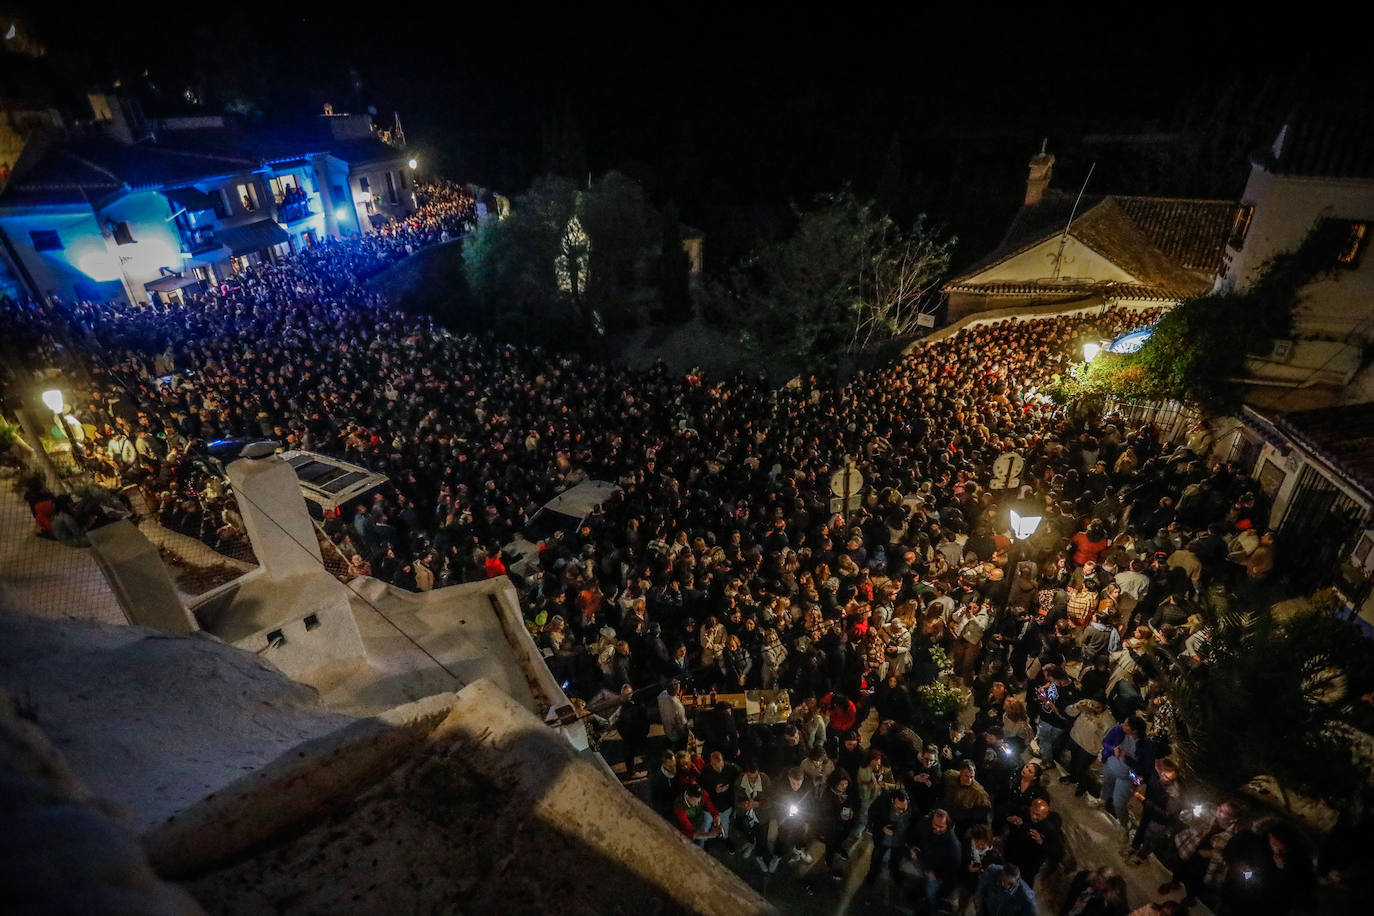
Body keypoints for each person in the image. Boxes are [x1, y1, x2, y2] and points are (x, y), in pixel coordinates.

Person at [759, 766, 814, 873]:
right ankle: (777, 856)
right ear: (789, 779)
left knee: (800, 835)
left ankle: (798, 850)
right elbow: (775, 802)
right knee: (782, 837)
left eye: (799, 783)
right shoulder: (780, 786)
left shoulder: (807, 787)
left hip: (800, 818)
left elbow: (810, 803)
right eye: (793, 783)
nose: (796, 786)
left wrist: (806, 818)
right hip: (785, 819)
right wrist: (783, 812)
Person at [911, 808, 963, 911]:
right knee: (925, 886)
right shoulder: (928, 826)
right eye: (935, 824)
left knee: (931, 893)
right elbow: (920, 837)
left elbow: (953, 867)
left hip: (936, 875)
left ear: (947, 825)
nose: (937, 828)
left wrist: (936, 875)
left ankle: (931, 907)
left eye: (941, 826)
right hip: (926, 866)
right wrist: (915, 848)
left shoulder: (953, 845)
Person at [865, 788, 914, 886]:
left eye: (903, 809)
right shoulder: (882, 801)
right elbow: (872, 814)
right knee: (877, 857)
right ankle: (872, 874)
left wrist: (912, 842)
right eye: (898, 808)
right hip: (883, 839)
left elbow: (915, 823)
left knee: (896, 859)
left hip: (900, 840)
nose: (901, 812)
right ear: (892, 801)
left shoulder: (912, 806)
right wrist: (882, 827)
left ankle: (894, 871)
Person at [614, 684, 651, 778]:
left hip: (639, 733)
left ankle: (644, 767)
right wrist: (627, 736)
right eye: (626, 695)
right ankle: (632, 772)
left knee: (641, 750)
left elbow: (644, 718)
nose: (628, 696)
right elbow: (620, 725)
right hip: (629, 736)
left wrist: (644, 731)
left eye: (630, 694)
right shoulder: (621, 710)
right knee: (629, 753)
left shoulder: (636, 704)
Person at [671, 781, 722, 846]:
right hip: (685, 834)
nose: (698, 804)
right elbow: (690, 832)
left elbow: (710, 806)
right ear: (687, 796)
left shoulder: (699, 794)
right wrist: (709, 835)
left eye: (700, 801)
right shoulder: (679, 808)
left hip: (698, 824)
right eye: (696, 802)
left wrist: (716, 819)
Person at [657, 679, 689, 750]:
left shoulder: (662, 694)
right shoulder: (677, 706)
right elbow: (682, 723)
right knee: (687, 732)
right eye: (678, 688)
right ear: (675, 691)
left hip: (666, 728)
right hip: (675, 734)